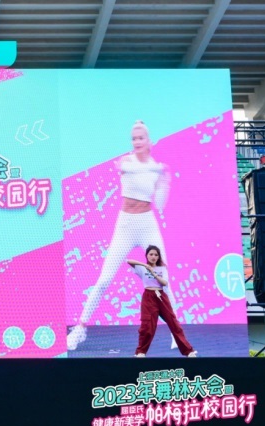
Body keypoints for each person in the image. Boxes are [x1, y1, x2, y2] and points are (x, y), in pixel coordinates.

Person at [68, 120, 175, 350]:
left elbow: (159, 204)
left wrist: (165, 181)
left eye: (140, 138)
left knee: (163, 277)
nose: (137, 142)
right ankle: (79, 329)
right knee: (104, 279)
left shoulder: (155, 168)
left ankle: (176, 333)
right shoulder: (128, 162)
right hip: (126, 225)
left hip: (147, 224)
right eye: (134, 138)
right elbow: (126, 168)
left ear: (149, 141)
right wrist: (157, 170)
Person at [127, 246, 197, 357]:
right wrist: (145, 265)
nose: (153, 257)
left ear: (158, 257)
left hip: (160, 296)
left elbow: (164, 283)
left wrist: (154, 273)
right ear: (147, 255)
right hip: (148, 297)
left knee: (173, 323)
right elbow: (128, 261)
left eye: (156, 255)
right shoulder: (142, 268)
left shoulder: (162, 268)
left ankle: (188, 351)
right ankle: (141, 352)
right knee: (147, 326)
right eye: (151, 254)